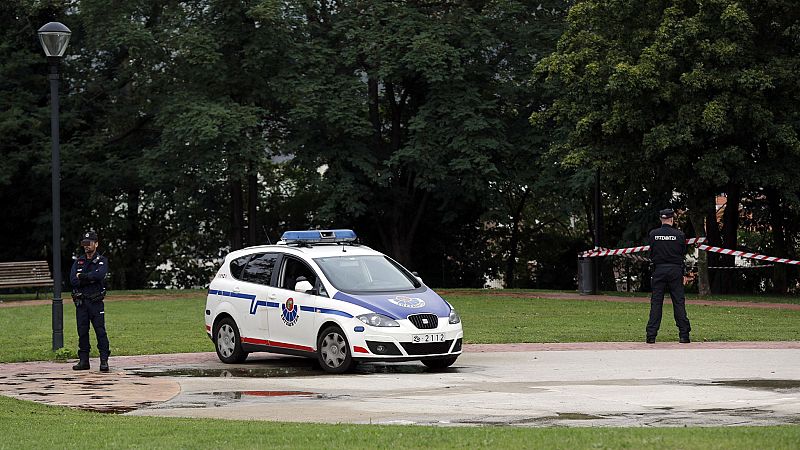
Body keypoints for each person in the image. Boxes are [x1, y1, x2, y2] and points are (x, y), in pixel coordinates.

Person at [646, 208, 691, 344]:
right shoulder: (680, 235)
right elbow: (682, 254)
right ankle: (684, 335)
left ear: (661, 219)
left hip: (659, 270)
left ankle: (651, 336)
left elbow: (651, 253)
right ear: (672, 219)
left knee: (656, 303)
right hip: (675, 270)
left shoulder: (653, 234)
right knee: (678, 302)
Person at [69, 230, 111, 371]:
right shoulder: (79, 261)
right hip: (81, 302)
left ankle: (104, 360)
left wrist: (83, 276)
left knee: (100, 331)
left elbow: (99, 276)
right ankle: (84, 361)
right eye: (84, 243)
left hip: (95, 302)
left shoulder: (101, 261)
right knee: (82, 331)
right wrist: (88, 278)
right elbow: (73, 280)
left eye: (89, 243)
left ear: (96, 244)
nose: (86, 246)